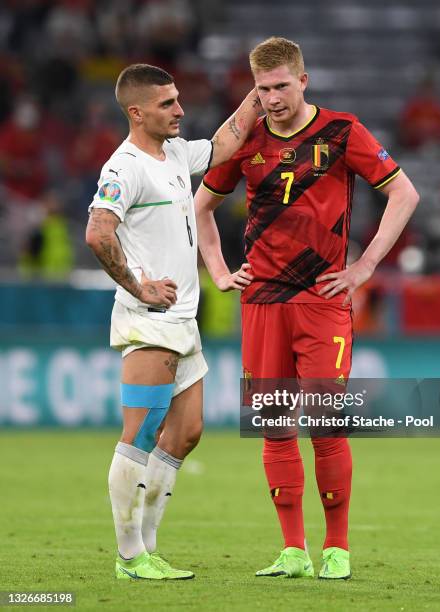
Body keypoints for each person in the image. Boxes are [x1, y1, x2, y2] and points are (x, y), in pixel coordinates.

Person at [195, 37, 419, 580]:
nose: (271, 99)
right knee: (273, 425)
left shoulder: (342, 131)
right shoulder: (245, 139)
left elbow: (404, 194)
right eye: (262, 89)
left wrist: (364, 268)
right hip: (263, 300)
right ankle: (292, 550)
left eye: (280, 86)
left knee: (323, 423)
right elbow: (200, 206)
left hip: (322, 300)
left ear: (303, 80)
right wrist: (221, 272)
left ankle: (336, 548)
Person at [85, 63, 261, 581]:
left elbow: (229, 140)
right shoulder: (124, 167)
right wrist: (139, 287)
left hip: (183, 320)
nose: (180, 109)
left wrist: (264, 89)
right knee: (140, 435)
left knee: (185, 433)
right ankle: (129, 556)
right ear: (136, 112)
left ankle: (150, 547)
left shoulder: (177, 155)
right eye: (167, 104)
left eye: (178, 99)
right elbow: (99, 233)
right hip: (149, 320)